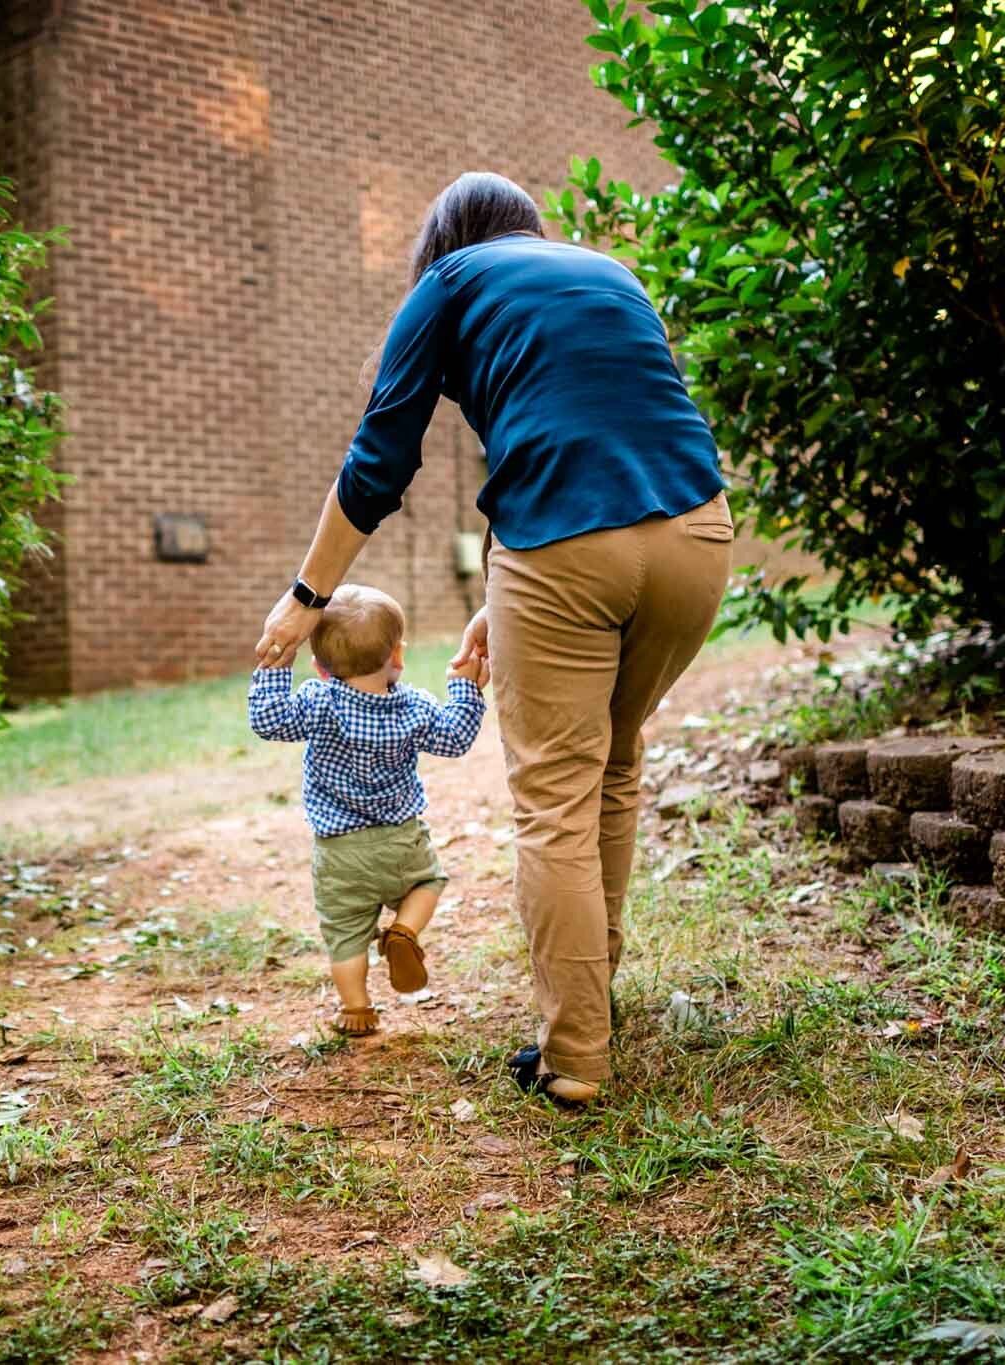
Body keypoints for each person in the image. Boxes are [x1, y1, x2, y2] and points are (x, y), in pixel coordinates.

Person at [252, 171, 733, 1106]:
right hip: (698, 534)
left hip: (565, 544)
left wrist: (307, 594)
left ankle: (577, 1057)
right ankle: (593, 1003)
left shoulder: (451, 281)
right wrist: (508, 589)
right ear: (530, 228)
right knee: (614, 766)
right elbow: (609, 425)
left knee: (556, 794)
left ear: (442, 240)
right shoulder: (609, 272)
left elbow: (379, 458)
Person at [248, 584, 488, 1036]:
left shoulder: (318, 702)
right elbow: (455, 738)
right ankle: (404, 932)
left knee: (344, 934)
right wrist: (465, 690)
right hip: (402, 840)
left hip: (339, 853)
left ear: (319, 668)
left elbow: (268, 720)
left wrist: (276, 667)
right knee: (429, 882)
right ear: (397, 654)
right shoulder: (413, 705)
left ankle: (357, 1009)